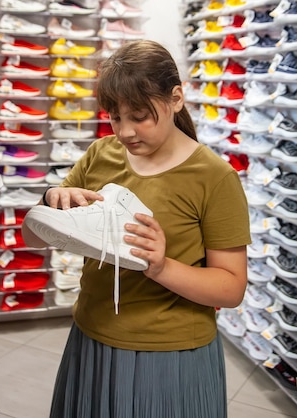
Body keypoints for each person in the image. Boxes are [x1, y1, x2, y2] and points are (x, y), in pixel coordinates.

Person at [22, 39, 251, 418]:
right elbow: (35, 236)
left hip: (170, 354)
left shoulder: (214, 177)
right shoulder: (100, 154)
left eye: (140, 116)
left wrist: (160, 266)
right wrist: (51, 201)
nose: (125, 131)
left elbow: (231, 288)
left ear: (176, 98)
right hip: (91, 336)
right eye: (115, 117)